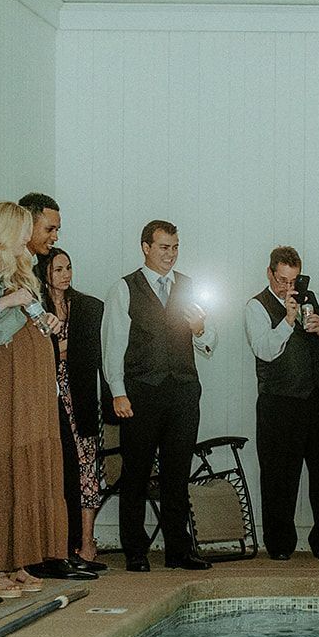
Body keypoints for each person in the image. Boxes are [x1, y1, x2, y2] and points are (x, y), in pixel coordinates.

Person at [0, 201, 72, 599]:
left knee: (31, 459)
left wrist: (44, 319)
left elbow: (27, 312)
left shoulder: (23, 268)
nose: (29, 236)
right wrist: (9, 303)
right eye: (23, 228)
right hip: (2, 368)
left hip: (31, 369)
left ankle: (20, 558)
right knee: (4, 457)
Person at [101, 220, 216, 571]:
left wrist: (200, 328)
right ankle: (135, 550)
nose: (171, 254)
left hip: (183, 393)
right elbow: (113, 345)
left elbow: (208, 342)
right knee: (135, 473)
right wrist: (118, 393)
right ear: (146, 247)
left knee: (177, 474)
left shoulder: (189, 286)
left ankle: (178, 550)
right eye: (164, 247)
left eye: (175, 247)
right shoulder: (125, 288)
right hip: (141, 394)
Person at [245, 245, 319, 561]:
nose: (289, 287)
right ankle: (280, 546)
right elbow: (264, 350)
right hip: (280, 402)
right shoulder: (255, 307)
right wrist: (288, 319)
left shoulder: (310, 298)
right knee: (279, 477)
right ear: (269, 273)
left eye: (294, 280)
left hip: (318, 399)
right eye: (283, 279)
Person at [42, 247, 108, 571]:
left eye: (68, 267)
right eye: (58, 269)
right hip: (50, 395)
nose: (65, 274)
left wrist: (65, 349)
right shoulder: (37, 308)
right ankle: (62, 545)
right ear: (45, 274)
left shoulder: (86, 307)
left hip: (80, 395)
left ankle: (87, 544)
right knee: (62, 467)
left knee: (87, 468)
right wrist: (63, 350)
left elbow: (90, 354)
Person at [18, 192, 60, 288]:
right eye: (49, 229)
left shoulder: (41, 264)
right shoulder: (6, 266)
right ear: (28, 226)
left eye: (57, 230)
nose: (55, 237)